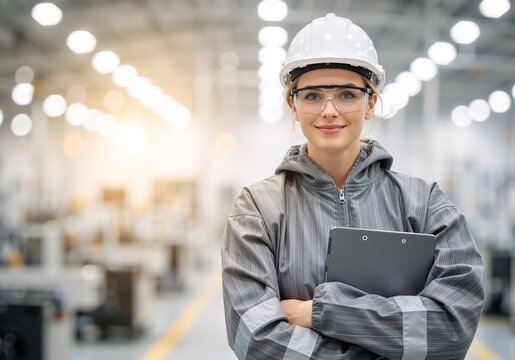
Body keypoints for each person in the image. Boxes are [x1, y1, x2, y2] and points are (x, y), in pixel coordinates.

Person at [221, 13, 484, 359]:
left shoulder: (424, 203)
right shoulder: (258, 207)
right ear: (294, 106)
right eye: (313, 96)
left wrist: (321, 311)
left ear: (370, 103)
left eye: (346, 94)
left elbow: (453, 324)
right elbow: (253, 335)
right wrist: (385, 342)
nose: (329, 111)